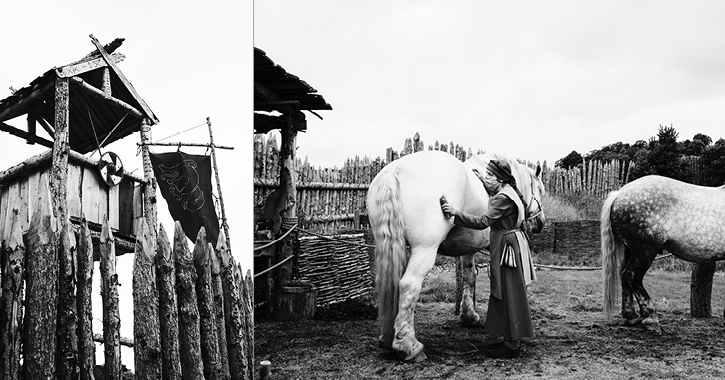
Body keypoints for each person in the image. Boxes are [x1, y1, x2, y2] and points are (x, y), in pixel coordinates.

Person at [441, 159, 536, 359]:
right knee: (507, 290)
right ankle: (509, 338)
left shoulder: (503, 198)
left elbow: (483, 221)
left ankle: (512, 345)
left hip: (506, 248)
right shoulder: (511, 192)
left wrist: (455, 214)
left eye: (491, 175)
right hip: (510, 244)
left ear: (500, 178)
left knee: (509, 291)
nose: (487, 178)